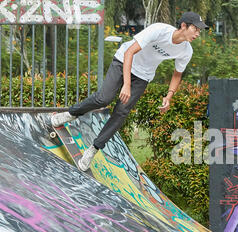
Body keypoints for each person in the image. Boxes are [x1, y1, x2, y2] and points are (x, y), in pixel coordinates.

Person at [51, 12, 208, 171]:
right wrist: (126, 84)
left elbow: (177, 74)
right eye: (195, 29)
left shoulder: (186, 51)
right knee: (104, 98)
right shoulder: (159, 30)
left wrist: (169, 95)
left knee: (121, 111)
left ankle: (94, 149)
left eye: (199, 31)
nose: (197, 33)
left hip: (143, 76)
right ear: (183, 26)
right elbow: (129, 52)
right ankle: (70, 114)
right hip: (123, 61)